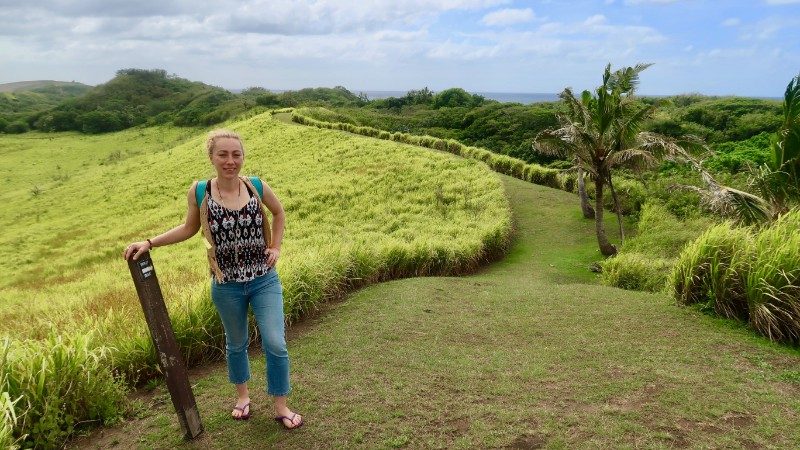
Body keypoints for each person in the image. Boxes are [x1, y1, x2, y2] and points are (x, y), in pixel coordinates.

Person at [123, 129, 303, 429]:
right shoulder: (200, 191)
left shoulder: (256, 185)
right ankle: (243, 397)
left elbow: (279, 212)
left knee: (275, 342)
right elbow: (188, 228)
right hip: (226, 284)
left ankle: (281, 405)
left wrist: (275, 247)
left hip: (264, 280)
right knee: (236, 343)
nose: (230, 161)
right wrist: (150, 242)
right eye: (223, 154)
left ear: (243, 157)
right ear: (212, 157)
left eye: (236, 154)